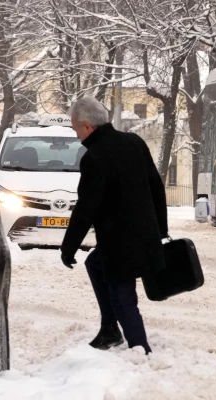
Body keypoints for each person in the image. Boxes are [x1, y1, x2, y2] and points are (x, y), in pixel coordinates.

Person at [61, 96, 168, 354]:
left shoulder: (94, 157)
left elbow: (86, 208)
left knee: (123, 296)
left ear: (87, 126)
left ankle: (140, 350)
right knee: (95, 264)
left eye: (76, 129)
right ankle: (110, 328)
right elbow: (156, 186)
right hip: (144, 233)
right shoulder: (134, 142)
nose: (77, 136)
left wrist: (68, 247)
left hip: (119, 242)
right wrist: (161, 229)